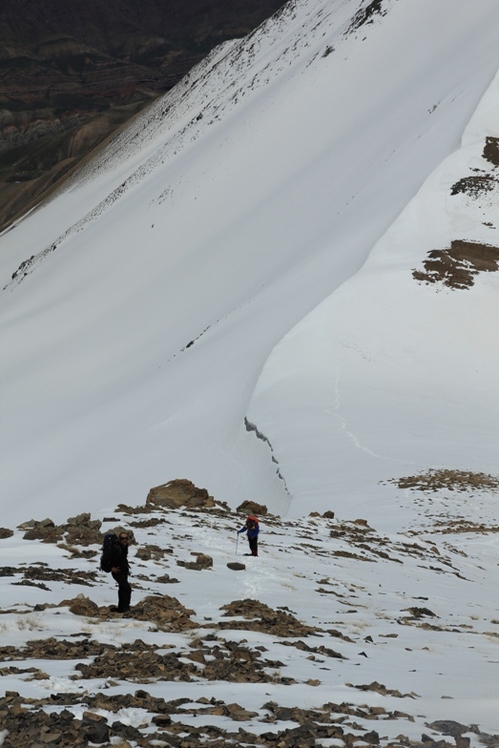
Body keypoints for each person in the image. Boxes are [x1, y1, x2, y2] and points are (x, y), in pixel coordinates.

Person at [110, 531, 132, 613]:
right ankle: (125, 608)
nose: (124, 540)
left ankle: (121, 608)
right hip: (117, 571)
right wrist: (111, 568)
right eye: (122, 538)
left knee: (122, 588)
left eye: (126, 538)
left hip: (124, 570)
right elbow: (106, 560)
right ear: (119, 539)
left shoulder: (124, 547)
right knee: (127, 588)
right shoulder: (115, 548)